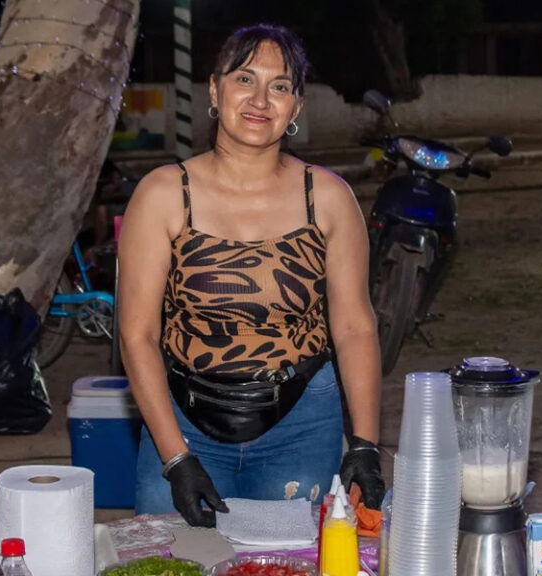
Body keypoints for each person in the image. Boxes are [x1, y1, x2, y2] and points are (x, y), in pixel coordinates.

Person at [117, 24, 385, 527]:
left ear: (297, 107)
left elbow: (354, 327)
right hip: (179, 420)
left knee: (295, 561)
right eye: (245, 79)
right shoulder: (163, 194)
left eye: (280, 86)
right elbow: (137, 335)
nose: (261, 98)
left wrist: (366, 444)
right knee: (173, 561)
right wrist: (175, 459)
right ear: (215, 91)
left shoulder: (327, 198)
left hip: (303, 422)